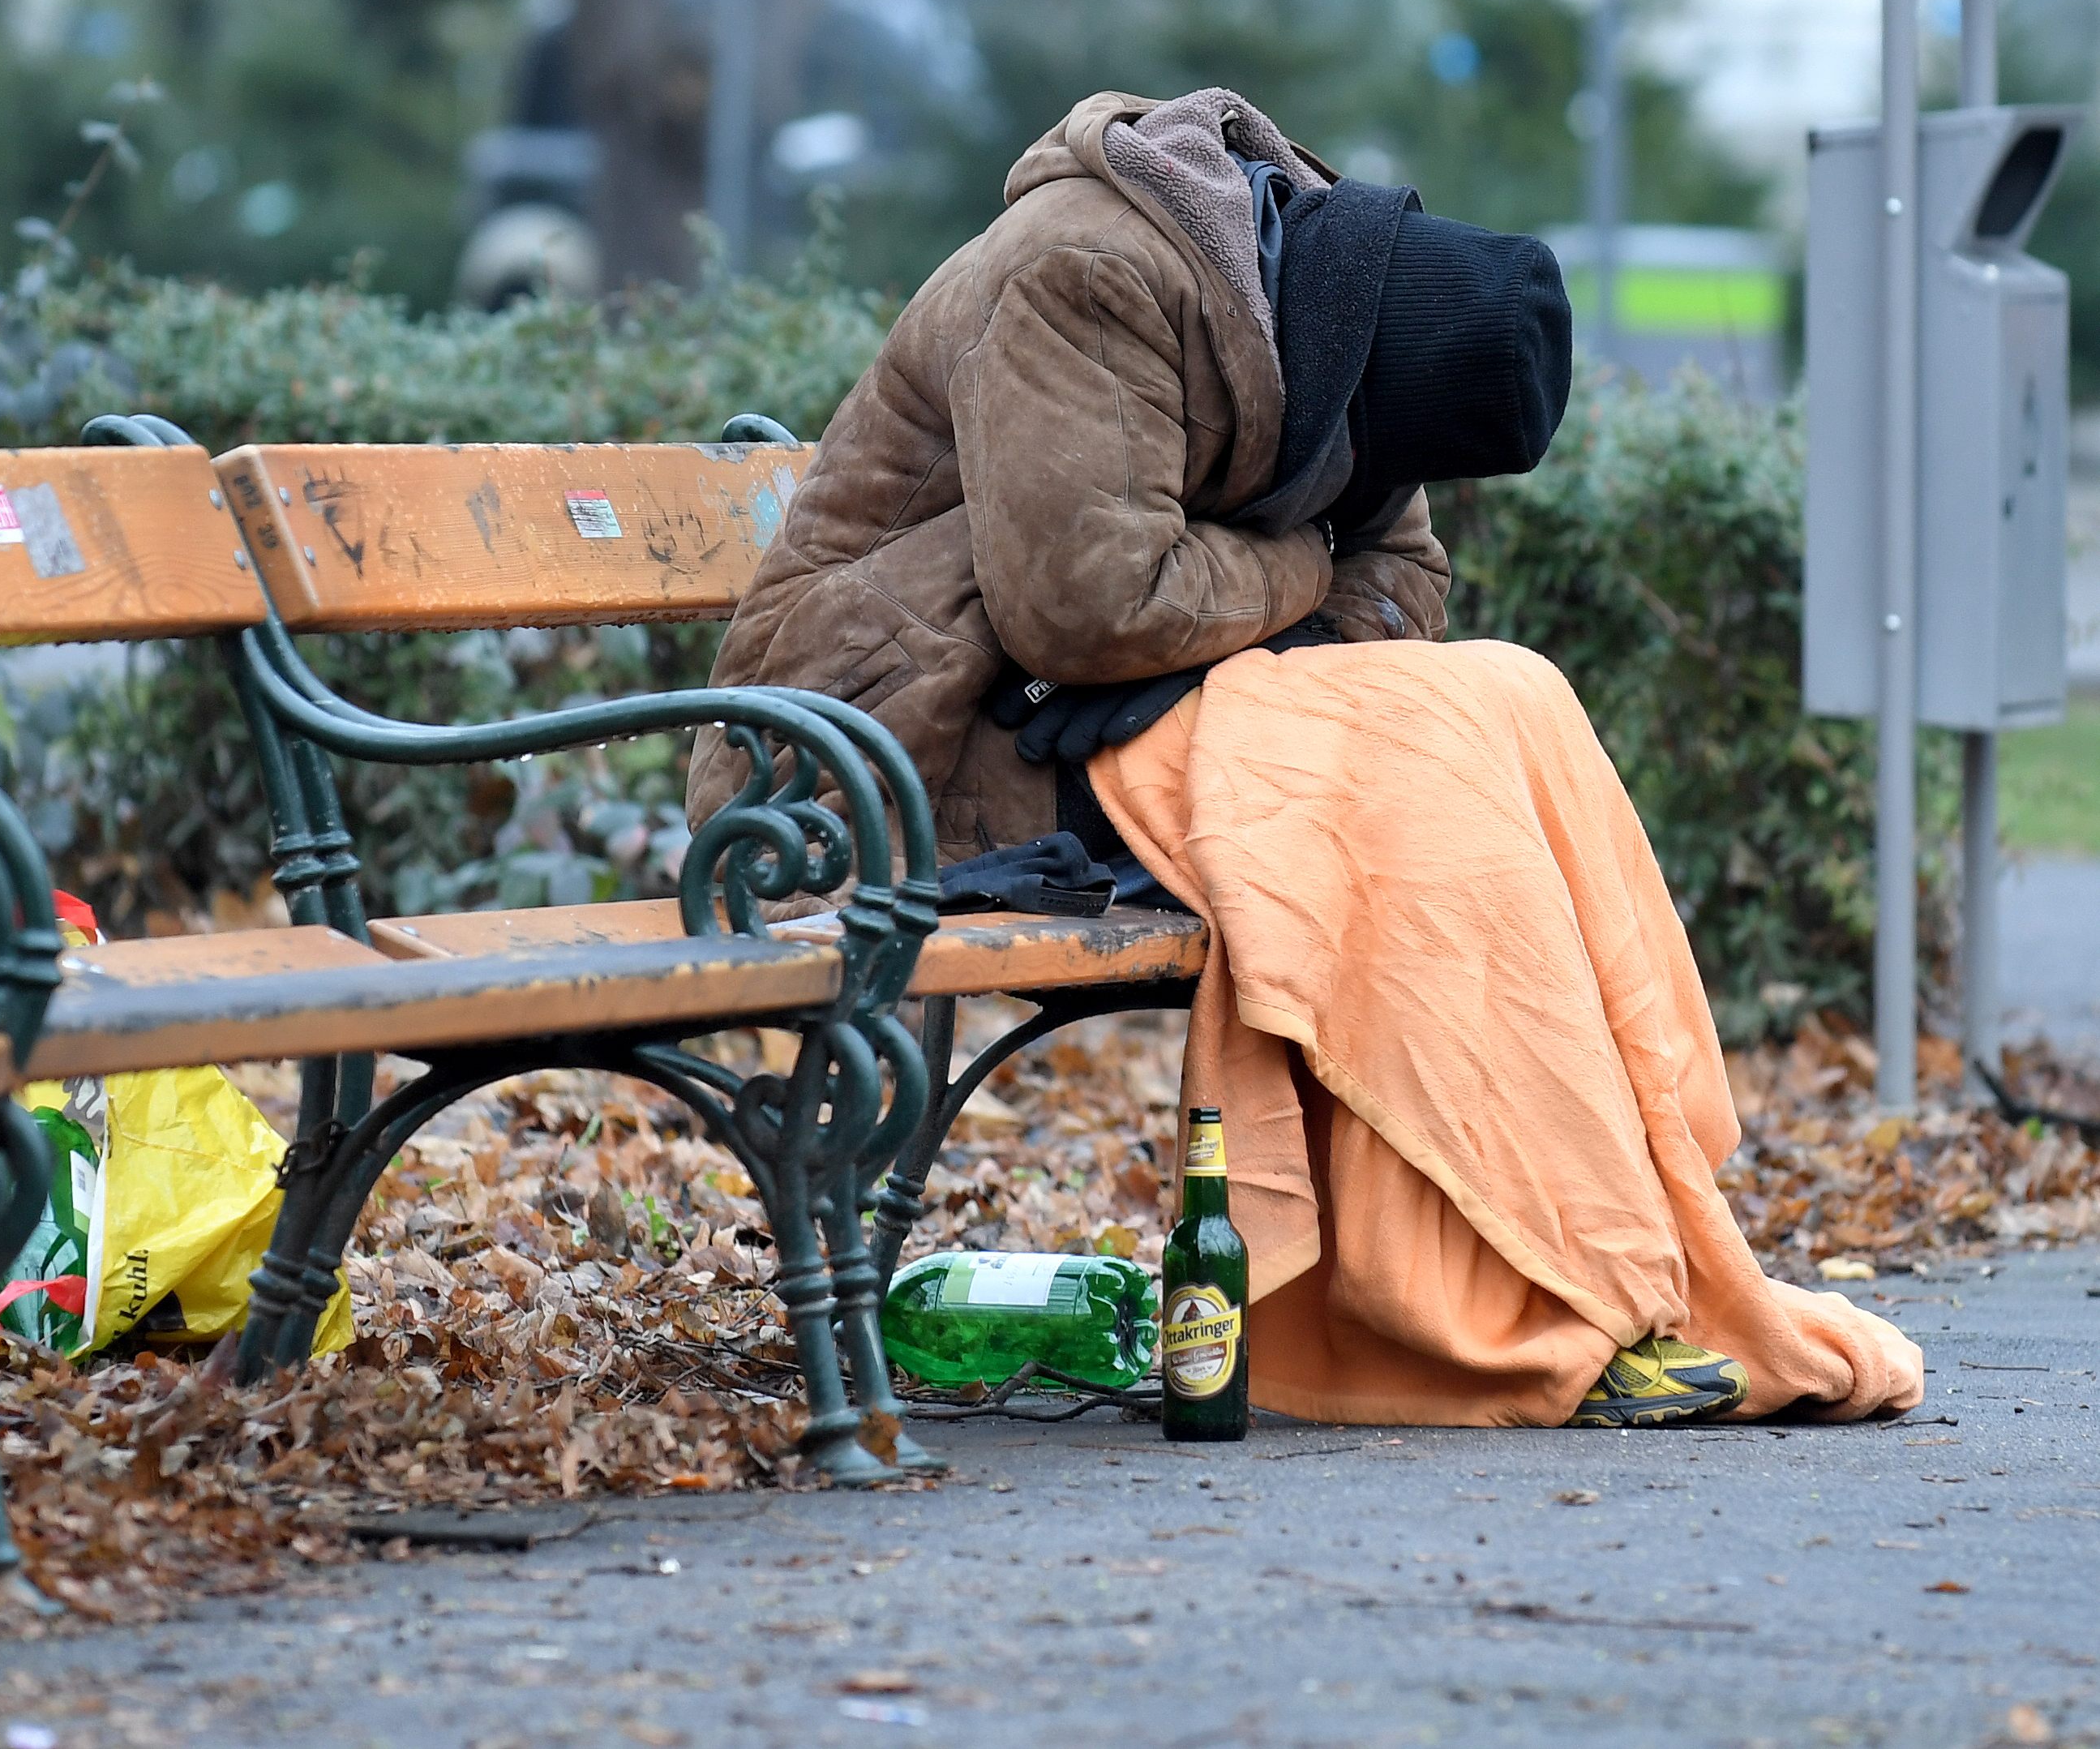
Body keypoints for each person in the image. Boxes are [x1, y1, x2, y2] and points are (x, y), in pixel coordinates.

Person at [688, 88, 1922, 1430]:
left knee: (1502, 696)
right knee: (1401, 761)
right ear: (1359, 342)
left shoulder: (1332, 328)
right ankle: (1509, 1283)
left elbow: (1402, 589)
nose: (1365, 484)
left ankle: (1614, 1246)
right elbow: (1089, 604)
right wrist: (1299, 568)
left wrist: (1257, 608)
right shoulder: (1088, 272)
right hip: (886, 750)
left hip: (1095, 716)